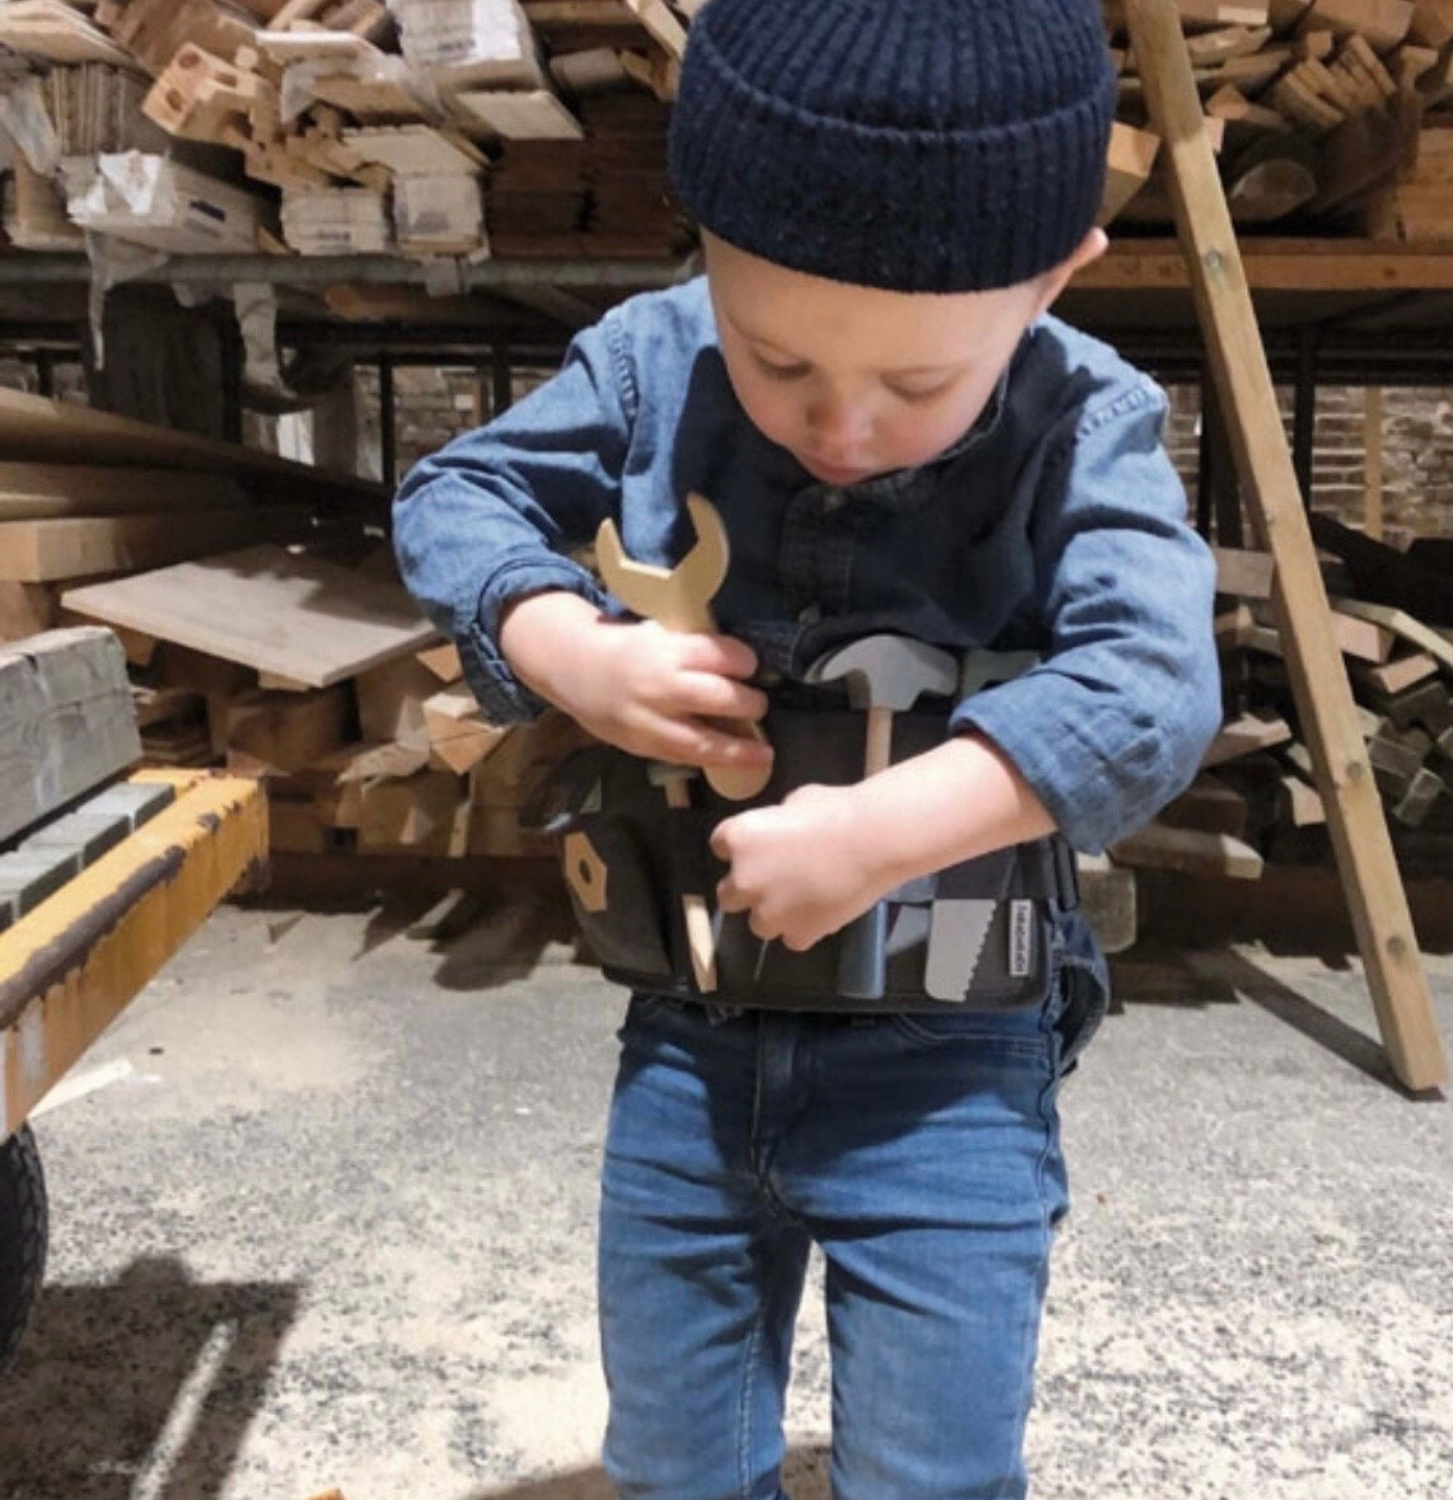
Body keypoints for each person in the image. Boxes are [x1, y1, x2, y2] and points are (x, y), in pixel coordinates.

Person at [393, 1, 1221, 1495]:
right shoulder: (650, 359)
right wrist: (571, 650)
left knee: (938, 1469)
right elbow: (453, 500)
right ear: (699, 237)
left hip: (952, 1061)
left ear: (1055, 275)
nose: (840, 428)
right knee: (672, 1457)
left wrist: (886, 832)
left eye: (917, 386)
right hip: (690, 1046)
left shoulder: (1086, 417)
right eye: (774, 360)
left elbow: (1156, 686)